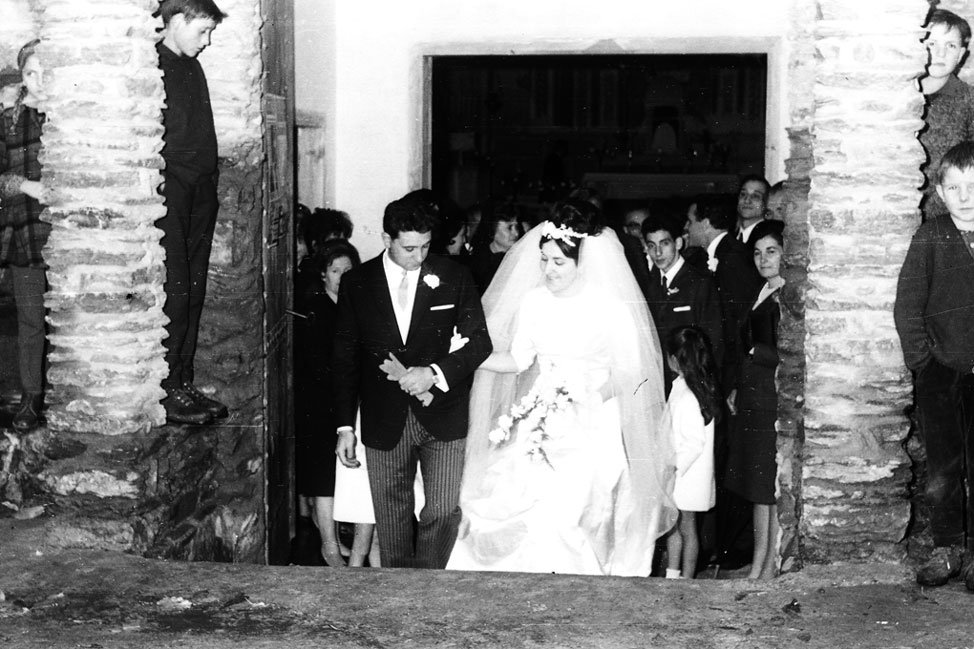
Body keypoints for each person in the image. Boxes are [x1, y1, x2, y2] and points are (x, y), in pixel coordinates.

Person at [447, 199, 676, 576]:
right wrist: (471, 356)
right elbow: (519, 361)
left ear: (581, 261)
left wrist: (589, 396)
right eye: (543, 260)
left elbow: (634, 373)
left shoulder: (609, 307)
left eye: (558, 262)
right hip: (541, 416)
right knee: (511, 499)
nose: (547, 270)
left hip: (593, 422)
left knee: (564, 512)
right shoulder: (535, 302)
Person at [332, 191, 492, 569]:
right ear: (387, 240)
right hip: (383, 418)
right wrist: (344, 427)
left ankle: (430, 582)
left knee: (441, 509)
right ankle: (400, 594)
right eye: (408, 248)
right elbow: (344, 360)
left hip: (443, 416)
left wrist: (434, 373)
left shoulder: (455, 276)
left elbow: (479, 343)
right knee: (391, 519)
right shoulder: (358, 282)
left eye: (424, 247)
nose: (418, 257)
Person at [894, 141, 974, 592]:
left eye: (973, 186)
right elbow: (908, 305)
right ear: (940, 192)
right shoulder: (931, 237)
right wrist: (924, 362)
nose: (965, 195)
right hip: (942, 372)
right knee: (944, 465)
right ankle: (947, 547)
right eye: (955, 186)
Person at [155, 0, 229, 425]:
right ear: (176, 21)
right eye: (202, 31)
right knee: (177, 291)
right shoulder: (156, 66)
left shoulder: (192, 67)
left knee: (194, 290)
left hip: (201, 191)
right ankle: (167, 389)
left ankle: (182, 382)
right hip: (175, 193)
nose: (207, 41)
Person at [293, 239, 361, 567]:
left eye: (348, 270)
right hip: (320, 404)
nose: (342, 276)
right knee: (323, 477)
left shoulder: (356, 305)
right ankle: (328, 546)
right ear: (323, 274)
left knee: (344, 474)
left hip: (347, 400)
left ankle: (337, 538)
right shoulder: (316, 310)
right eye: (335, 270)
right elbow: (318, 364)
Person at [724, 219, 785, 580]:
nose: (764, 259)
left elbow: (784, 351)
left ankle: (769, 566)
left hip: (771, 397)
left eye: (772, 251)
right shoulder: (764, 290)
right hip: (754, 395)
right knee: (757, 486)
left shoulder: (786, 294)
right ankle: (759, 561)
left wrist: (754, 351)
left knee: (769, 487)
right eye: (758, 253)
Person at [0, 39, 54, 432]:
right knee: (31, 321)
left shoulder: (70, 119)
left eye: (45, 72)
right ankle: (30, 397)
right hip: (26, 234)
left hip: (64, 235)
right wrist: (25, 186)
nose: (38, 81)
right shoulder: (8, 120)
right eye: (30, 73)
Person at [643, 213, 723, 394]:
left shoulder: (700, 282)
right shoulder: (651, 283)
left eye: (664, 243)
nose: (658, 253)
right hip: (661, 384)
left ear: (678, 243)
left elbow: (714, 341)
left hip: (693, 384)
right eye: (651, 246)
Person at [663, 326, 720, 579]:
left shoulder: (689, 397)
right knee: (677, 527)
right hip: (682, 473)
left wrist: (674, 467)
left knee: (685, 527)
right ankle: (673, 575)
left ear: (675, 359)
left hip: (686, 476)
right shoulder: (684, 387)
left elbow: (694, 442)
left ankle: (685, 578)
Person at [918, 9, 974, 221]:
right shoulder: (899, 102)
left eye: (950, 46)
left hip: (949, 219)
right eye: (931, 44)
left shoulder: (968, 100)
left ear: (960, 54)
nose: (939, 54)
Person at [468, 201, 521, 293]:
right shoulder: (477, 262)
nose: (516, 233)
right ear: (492, 228)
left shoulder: (520, 258)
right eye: (509, 228)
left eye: (516, 226)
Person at [735, 175, 769, 244]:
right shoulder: (730, 236)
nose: (747, 200)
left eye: (755, 196)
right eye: (743, 194)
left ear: (766, 203)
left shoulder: (767, 238)